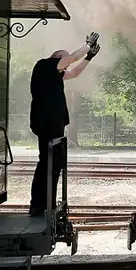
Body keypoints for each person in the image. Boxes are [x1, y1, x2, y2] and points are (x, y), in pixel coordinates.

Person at [28, 32, 101, 217]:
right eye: (65, 58)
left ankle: (46, 204)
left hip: (52, 124)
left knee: (52, 163)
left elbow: (75, 72)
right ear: (57, 58)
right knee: (48, 163)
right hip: (47, 122)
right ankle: (40, 205)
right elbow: (73, 58)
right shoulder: (44, 65)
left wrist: (90, 57)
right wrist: (87, 46)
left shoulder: (54, 75)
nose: (68, 63)